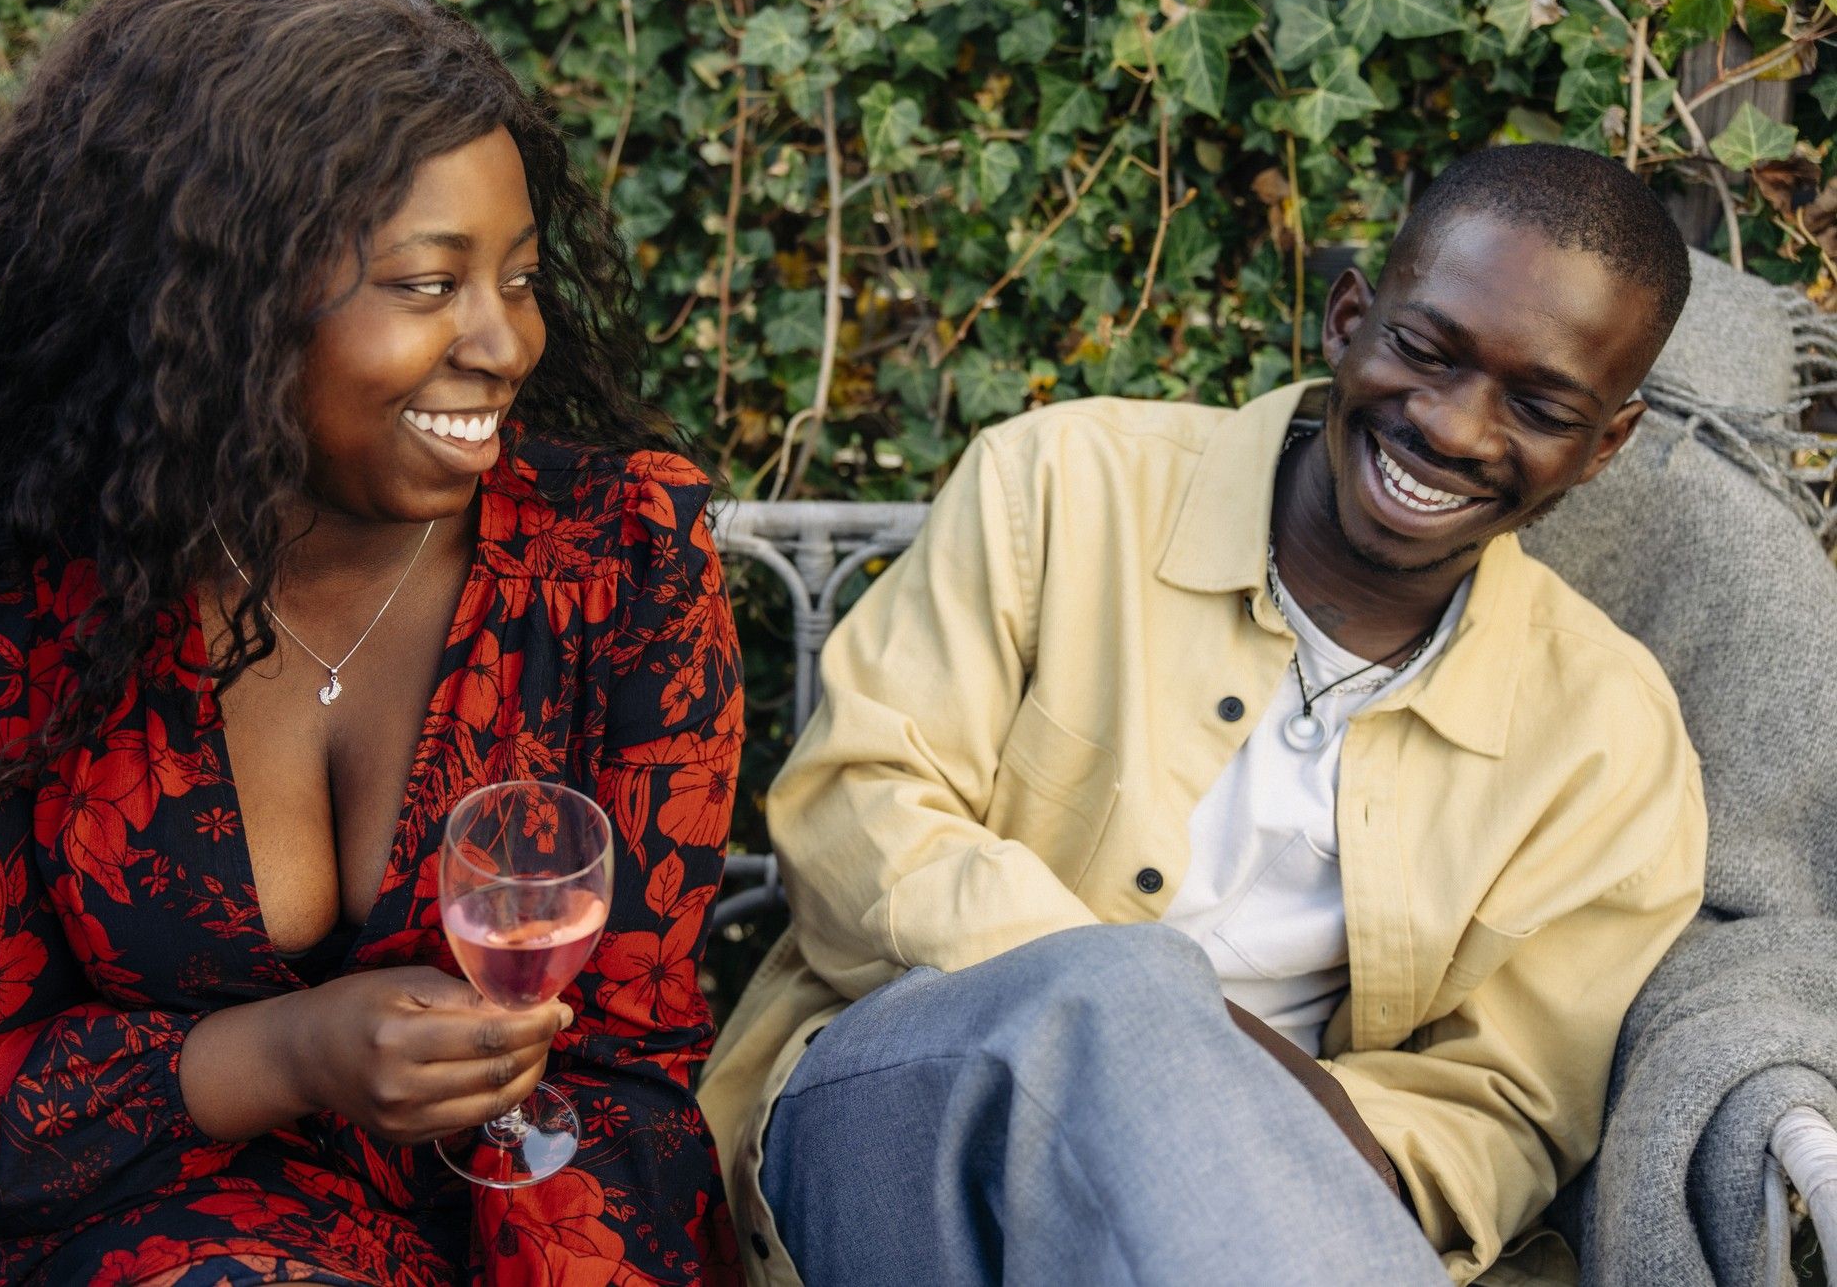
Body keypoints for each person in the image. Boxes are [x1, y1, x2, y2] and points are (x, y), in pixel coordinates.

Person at [0, 0, 742, 1286]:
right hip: (130, 1239)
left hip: (520, 1234)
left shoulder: (620, 568)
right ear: (217, 311)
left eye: (523, 277)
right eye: (430, 284)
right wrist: (295, 1051)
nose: (502, 341)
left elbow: (624, 1066)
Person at [700, 145, 1709, 1286]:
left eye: (1536, 406)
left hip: (1276, 1217)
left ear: (1603, 445)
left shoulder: (1604, 733)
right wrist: (1169, 1029)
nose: (1456, 429)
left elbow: (1504, 1103)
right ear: (1346, 320)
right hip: (903, 1117)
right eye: (1425, 352)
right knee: (1127, 989)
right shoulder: (1059, 485)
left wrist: (1223, 1124)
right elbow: (854, 813)